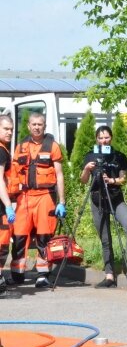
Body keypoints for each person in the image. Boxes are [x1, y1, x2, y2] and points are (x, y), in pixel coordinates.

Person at [9, 112, 66, 288]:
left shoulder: (52, 146)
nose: (36, 127)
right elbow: (13, 173)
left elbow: (59, 175)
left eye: (39, 124)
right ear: (28, 126)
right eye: (33, 124)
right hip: (24, 197)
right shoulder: (21, 146)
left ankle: (43, 274)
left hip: (45, 197)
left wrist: (61, 202)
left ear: (44, 126)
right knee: (18, 235)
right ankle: (17, 273)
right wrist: (10, 198)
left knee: (44, 235)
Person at [80, 125, 127, 288]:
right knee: (105, 239)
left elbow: (123, 178)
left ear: (111, 138)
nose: (103, 140)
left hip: (115, 199)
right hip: (98, 200)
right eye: (100, 138)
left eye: (106, 137)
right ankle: (109, 275)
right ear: (96, 139)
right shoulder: (90, 156)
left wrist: (112, 181)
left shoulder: (118, 157)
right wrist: (86, 169)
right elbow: (84, 180)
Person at [0, 113, 16, 298]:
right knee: (2, 244)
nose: (9, 132)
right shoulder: (1, 151)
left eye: (11, 129)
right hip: (1, 205)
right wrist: (8, 206)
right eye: (5, 128)